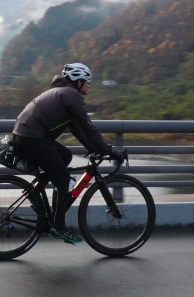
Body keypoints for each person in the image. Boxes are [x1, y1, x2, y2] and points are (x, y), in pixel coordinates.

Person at [11, 62, 123, 244]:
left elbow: (77, 128)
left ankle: (38, 199)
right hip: (33, 138)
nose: (89, 85)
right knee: (63, 179)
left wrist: (94, 149)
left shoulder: (62, 93)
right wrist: (108, 150)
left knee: (65, 157)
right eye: (88, 81)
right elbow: (88, 126)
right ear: (78, 82)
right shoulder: (71, 95)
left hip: (27, 135)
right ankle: (59, 226)